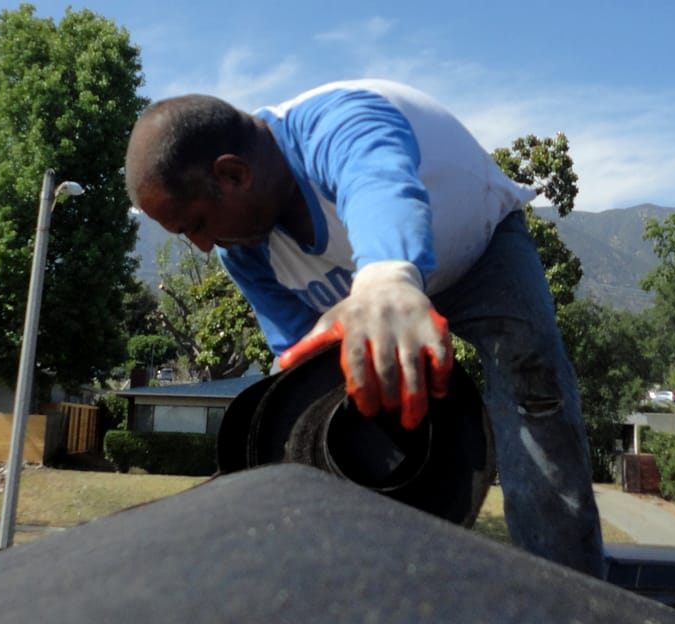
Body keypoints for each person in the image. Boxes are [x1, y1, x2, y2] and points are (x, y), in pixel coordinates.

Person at [125, 79, 604, 577]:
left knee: (535, 382)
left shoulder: (338, 124)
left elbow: (378, 182)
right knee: (305, 419)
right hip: (376, 299)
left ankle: (570, 588)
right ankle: (335, 575)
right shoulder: (244, 254)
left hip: (481, 253)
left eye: (196, 225)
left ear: (233, 174)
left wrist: (388, 278)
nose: (203, 247)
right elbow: (301, 367)